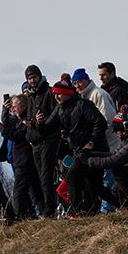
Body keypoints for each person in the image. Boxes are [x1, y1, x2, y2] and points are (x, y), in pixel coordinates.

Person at [36, 79, 109, 216]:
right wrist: (40, 123)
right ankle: (121, 203)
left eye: (59, 94)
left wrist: (92, 141)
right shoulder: (59, 109)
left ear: (67, 94)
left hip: (94, 150)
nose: (56, 97)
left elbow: (100, 122)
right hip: (79, 151)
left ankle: (77, 211)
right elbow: (46, 129)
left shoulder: (83, 105)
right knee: (95, 186)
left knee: (73, 177)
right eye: (55, 94)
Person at [0, 94, 43, 219]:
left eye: (14, 106)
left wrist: (2, 130)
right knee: (34, 190)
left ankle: (20, 216)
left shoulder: (27, 120)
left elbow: (18, 136)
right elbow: (9, 124)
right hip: (24, 160)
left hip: (24, 160)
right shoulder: (20, 120)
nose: (12, 110)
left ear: (23, 106)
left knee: (19, 192)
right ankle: (37, 213)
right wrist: (4, 110)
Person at [23, 65, 59, 218]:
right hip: (35, 141)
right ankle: (46, 208)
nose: (32, 80)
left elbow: (54, 115)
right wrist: (30, 122)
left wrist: (39, 123)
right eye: (29, 78)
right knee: (41, 177)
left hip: (48, 139)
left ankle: (50, 210)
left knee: (46, 176)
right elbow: (33, 116)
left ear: (39, 76)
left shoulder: (48, 92)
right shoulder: (31, 95)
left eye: (34, 77)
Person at [71, 67, 120, 152]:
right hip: (96, 144)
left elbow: (108, 119)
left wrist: (93, 139)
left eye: (79, 82)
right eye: (74, 84)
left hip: (109, 144)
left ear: (86, 80)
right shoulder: (83, 98)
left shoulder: (99, 94)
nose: (77, 86)